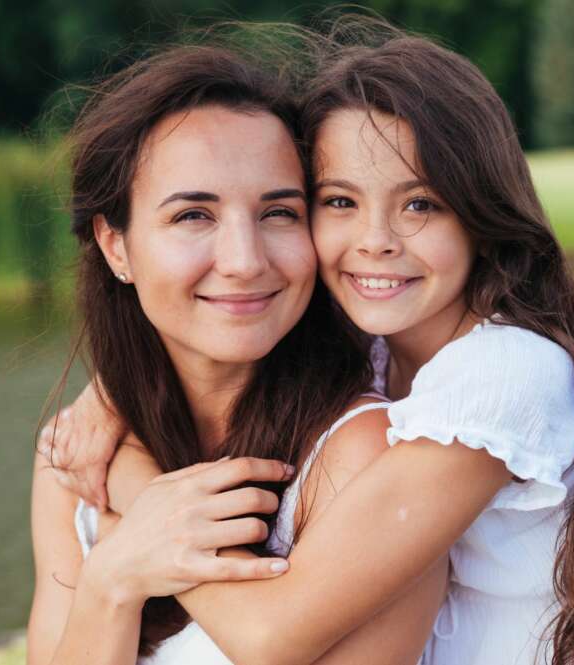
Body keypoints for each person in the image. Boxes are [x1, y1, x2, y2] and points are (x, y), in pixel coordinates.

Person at [49, 17, 574, 665]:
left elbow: (270, 634)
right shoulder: (378, 337)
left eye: (420, 204)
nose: (376, 240)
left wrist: (141, 494)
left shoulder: (504, 371)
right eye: (340, 202)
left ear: (481, 213)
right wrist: (113, 394)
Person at [27, 42, 447, 665]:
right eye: (194, 214)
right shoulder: (76, 457)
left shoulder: (363, 456)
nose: (246, 261)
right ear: (116, 246)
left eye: (279, 212)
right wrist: (112, 582)